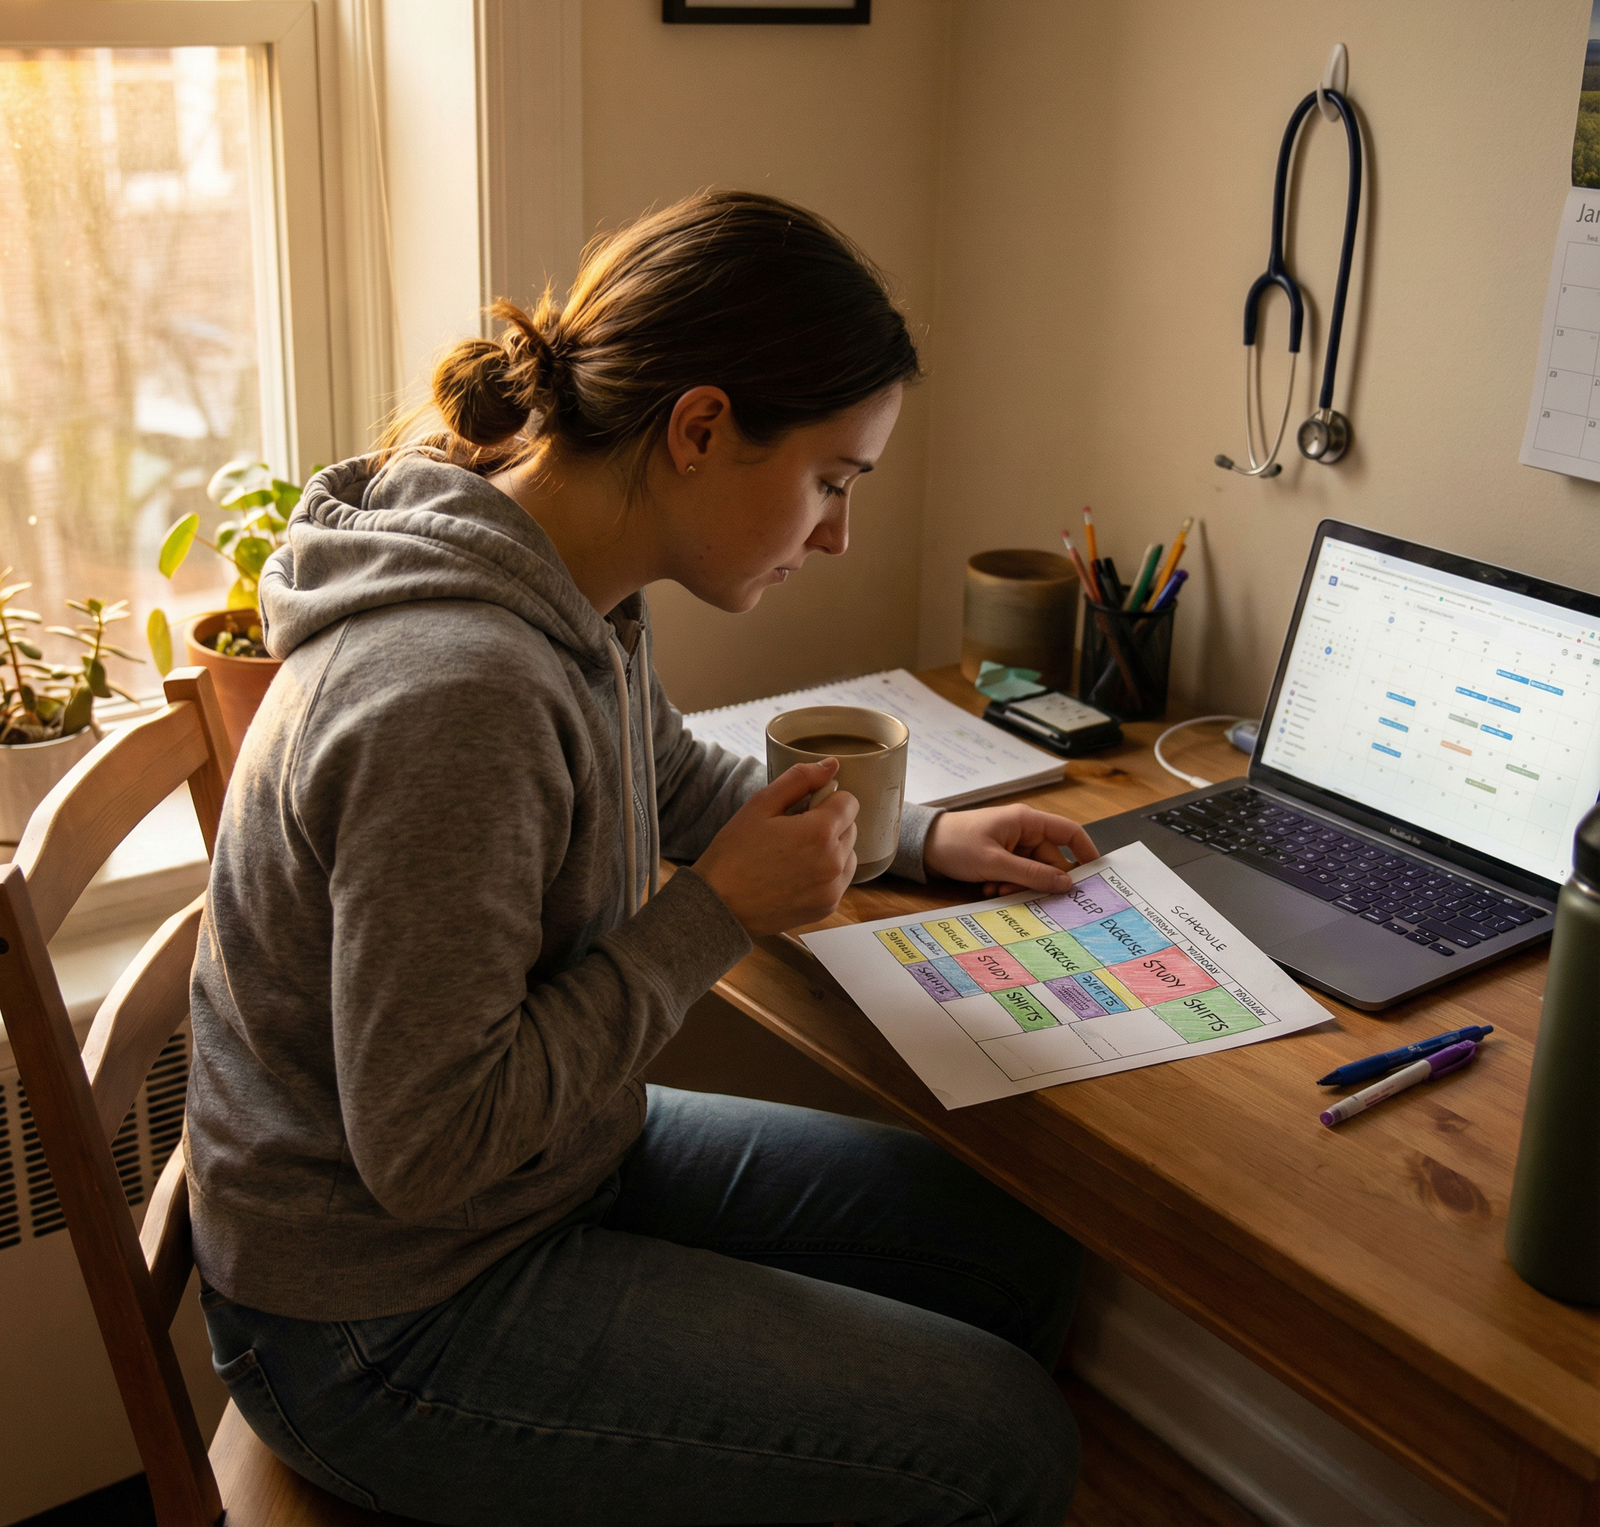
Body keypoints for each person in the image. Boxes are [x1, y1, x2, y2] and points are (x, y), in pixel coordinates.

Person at [191, 190, 1098, 1526]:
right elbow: (429, 1149)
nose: (838, 532)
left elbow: (664, 776)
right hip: (383, 1319)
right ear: (702, 428)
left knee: (1010, 1253)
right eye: (833, 480)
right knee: (1001, 1441)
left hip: (539, 1178)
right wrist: (713, 919)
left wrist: (922, 837)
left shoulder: (556, 576)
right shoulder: (456, 693)